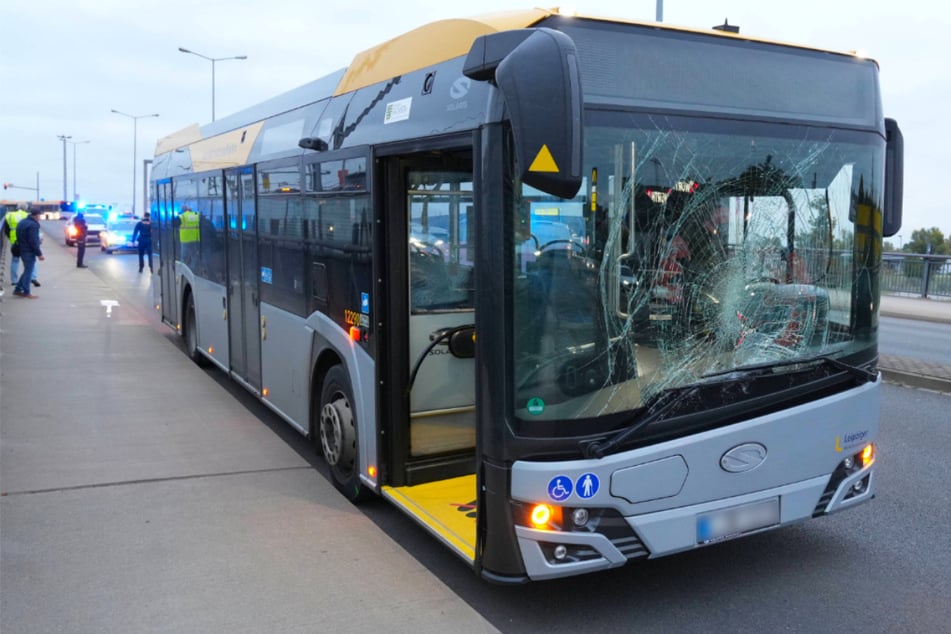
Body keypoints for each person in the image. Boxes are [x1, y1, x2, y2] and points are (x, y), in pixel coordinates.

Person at [3, 204, 40, 287]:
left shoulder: (10, 215)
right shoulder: (27, 216)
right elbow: (33, 230)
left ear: (17, 208)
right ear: (26, 208)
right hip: (26, 242)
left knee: (15, 260)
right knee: (31, 260)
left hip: (14, 241)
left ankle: (14, 280)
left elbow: (6, 229)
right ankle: (33, 277)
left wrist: (11, 237)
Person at [12, 207, 45, 298]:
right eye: (40, 215)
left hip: (22, 249)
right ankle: (27, 292)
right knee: (28, 272)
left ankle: (18, 289)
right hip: (29, 251)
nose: (40, 217)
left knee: (27, 271)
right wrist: (39, 254)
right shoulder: (33, 225)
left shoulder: (22, 222)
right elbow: (33, 241)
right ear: (36, 215)